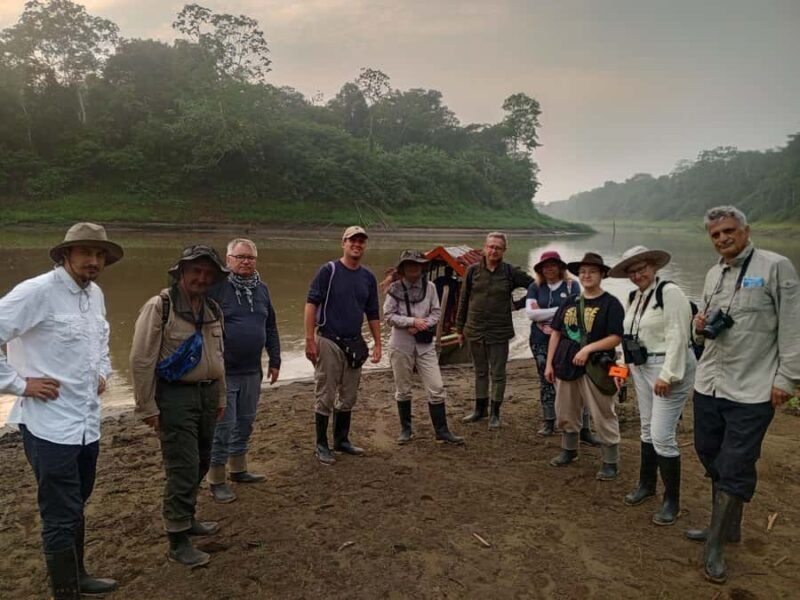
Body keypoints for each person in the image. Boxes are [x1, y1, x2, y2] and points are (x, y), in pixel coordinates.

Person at [0, 223, 122, 599]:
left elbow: (101, 338)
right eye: (85, 252)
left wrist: (102, 370)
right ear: (65, 255)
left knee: (78, 501)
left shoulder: (95, 293)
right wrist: (20, 385)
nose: (94, 261)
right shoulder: (36, 292)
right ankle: (65, 591)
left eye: (100, 255)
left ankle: (80, 574)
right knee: (59, 512)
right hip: (49, 425)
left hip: (86, 421)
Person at [685, 206, 799, 584]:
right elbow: (705, 325)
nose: (723, 239)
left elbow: (793, 326)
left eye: (729, 231)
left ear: (747, 231)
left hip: (753, 387)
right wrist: (699, 323)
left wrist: (787, 378)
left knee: (735, 462)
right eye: (715, 235)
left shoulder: (776, 267)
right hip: (709, 383)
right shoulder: (713, 272)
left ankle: (715, 543)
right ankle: (728, 524)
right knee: (707, 450)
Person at [130, 245, 229, 568]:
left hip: (208, 394)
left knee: (201, 460)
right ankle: (177, 538)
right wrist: (147, 406)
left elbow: (219, 359)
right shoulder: (160, 306)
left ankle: (187, 518)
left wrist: (222, 397)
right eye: (195, 272)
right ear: (181, 273)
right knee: (182, 466)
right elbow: (141, 359)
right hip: (175, 398)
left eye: (207, 273)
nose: (201, 278)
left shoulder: (213, 308)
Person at [608, 246, 696, 525]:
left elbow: (680, 336)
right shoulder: (634, 296)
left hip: (667, 367)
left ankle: (673, 501)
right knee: (646, 427)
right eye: (632, 271)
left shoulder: (669, 293)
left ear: (654, 267)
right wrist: (620, 368)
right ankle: (647, 485)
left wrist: (668, 375)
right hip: (641, 367)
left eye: (642, 268)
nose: (637, 275)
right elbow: (627, 337)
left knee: (661, 434)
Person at [206, 238, 281, 503]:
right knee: (223, 426)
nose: (246, 261)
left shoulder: (262, 289)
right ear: (228, 260)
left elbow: (270, 325)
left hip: (252, 370)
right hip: (224, 372)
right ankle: (216, 479)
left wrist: (275, 359)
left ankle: (238, 469)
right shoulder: (217, 288)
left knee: (245, 422)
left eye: (250, 257)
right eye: (240, 257)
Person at [304, 226, 381, 465]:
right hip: (328, 339)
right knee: (325, 393)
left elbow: (372, 313)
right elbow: (311, 305)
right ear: (343, 243)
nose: (357, 245)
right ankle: (321, 444)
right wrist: (309, 339)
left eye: (361, 241)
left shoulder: (368, 277)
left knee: (348, 395)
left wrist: (378, 343)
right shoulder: (329, 271)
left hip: (354, 342)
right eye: (352, 241)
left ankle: (341, 440)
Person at [545, 253, 625, 480]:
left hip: (596, 368)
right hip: (565, 365)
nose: (586, 275)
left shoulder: (611, 303)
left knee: (603, 413)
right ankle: (569, 450)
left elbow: (616, 337)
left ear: (602, 275)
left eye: (592, 271)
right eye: (582, 272)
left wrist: (587, 349)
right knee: (566, 410)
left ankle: (610, 461)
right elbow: (556, 333)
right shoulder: (569, 302)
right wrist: (549, 364)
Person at [384, 250, 464, 445]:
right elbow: (388, 316)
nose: (414, 267)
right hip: (400, 345)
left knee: (436, 387)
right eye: (409, 264)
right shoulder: (394, 289)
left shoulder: (430, 288)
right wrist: (411, 322)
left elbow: (437, 313)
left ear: (422, 267)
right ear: (402, 268)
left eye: (417, 264)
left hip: (425, 344)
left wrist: (424, 324)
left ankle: (442, 431)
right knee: (403, 389)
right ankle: (406, 430)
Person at [456, 232, 534, 430]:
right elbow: (463, 300)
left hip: (499, 330)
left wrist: (518, 305)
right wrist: (459, 328)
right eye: (490, 246)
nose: (493, 251)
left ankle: (495, 413)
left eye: (498, 248)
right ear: (484, 247)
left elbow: (534, 286)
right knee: (480, 371)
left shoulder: (510, 272)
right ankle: (479, 410)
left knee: (498, 373)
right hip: (474, 329)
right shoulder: (473, 271)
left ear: (504, 251)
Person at [525, 250, 599, 444]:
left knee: (576, 381)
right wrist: (559, 312)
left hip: (568, 342)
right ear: (540, 269)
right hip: (540, 340)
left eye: (553, 265)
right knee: (546, 379)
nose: (549, 268)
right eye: (545, 266)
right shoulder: (535, 287)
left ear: (560, 267)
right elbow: (531, 315)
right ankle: (549, 421)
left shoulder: (572, 285)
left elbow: (574, 311)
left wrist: (549, 316)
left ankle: (584, 427)